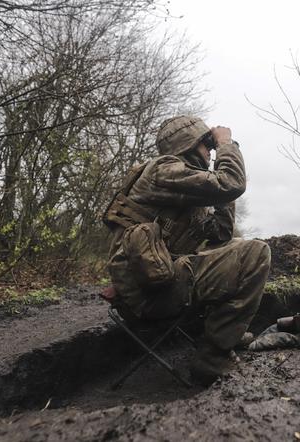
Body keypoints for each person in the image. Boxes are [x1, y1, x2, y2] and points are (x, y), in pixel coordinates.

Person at [103, 115, 271, 385]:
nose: (211, 149)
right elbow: (232, 183)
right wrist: (227, 145)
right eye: (208, 145)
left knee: (240, 247)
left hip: (162, 282)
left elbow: (221, 233)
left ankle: (227, 332)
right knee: (257, 253)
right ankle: (213, 360)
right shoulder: (163, 171)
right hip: (148, 292)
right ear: (189, 145)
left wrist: (220, 192)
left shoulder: (185, 195)